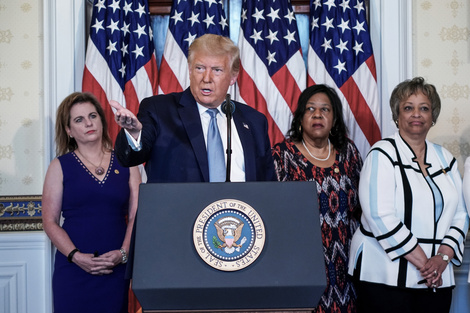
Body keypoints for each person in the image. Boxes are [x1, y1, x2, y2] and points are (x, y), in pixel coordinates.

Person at [348, 77, 469, 313]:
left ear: (433, 116)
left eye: (424, 108)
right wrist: (427, 265)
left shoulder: (446, 158)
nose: (417, 114)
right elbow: (379, 215)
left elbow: (461, 214)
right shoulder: (382, 153)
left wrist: (443, 258)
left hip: (438, 277)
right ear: (397, 115)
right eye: (408, 108)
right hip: (383, 277)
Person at [110, 33, 276, 183]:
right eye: (200, 68)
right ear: (190, 70)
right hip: (178, 215)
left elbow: (267, 186)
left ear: (233, 77)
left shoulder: (254, 121)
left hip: (237, 216)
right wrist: (134, 134)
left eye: (217, 70)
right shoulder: (159, 110)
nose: (206, 78)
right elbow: (129, 158)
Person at [42, 92, 141, 313]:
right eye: (79, 120)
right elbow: (49, 221)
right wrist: (75, 257)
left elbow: (136, 216)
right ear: (68, 130)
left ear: (102, 120)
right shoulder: (59, 166)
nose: (88, 123)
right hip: (73, 270)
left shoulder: (127, 162)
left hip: (115, 268)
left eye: (93, 116)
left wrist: (123, 254)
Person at [272, 84, 363, 313]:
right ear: (300, 117)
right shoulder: (282, 155)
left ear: (334, 118)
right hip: (300, 261)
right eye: (310, 109)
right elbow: (271, 212)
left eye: (325, 109)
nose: (317, 115)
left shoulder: (349, 152)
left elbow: (363, 206)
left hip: (346, 262)